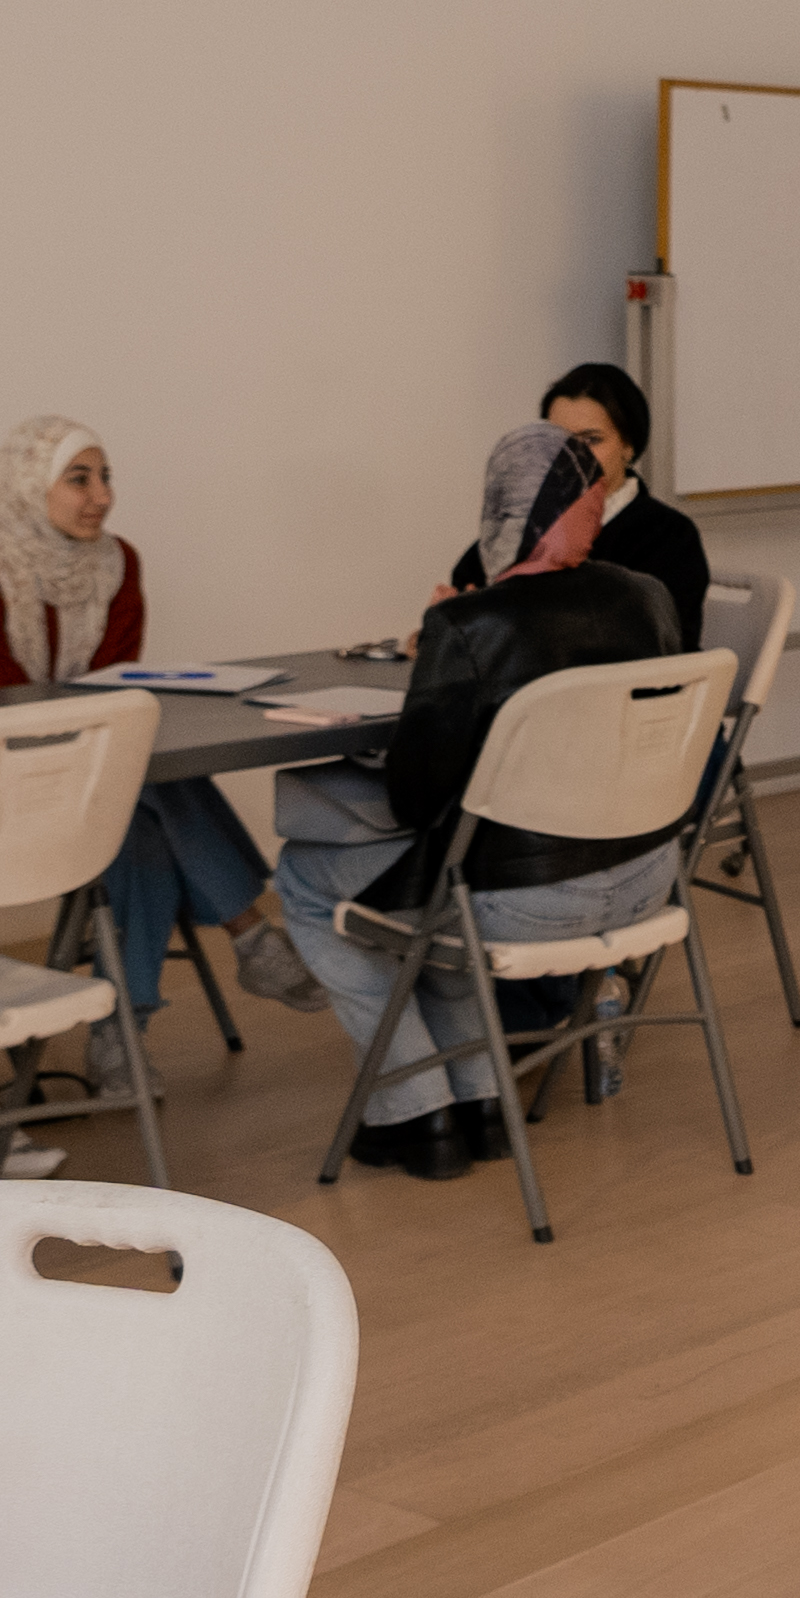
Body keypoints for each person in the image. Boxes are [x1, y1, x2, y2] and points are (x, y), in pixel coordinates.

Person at [276, 428, 694, 1180]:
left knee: (307, 880)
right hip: (645, 881)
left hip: (520, 902)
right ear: (590, 504)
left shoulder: (470, 624)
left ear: (501, 511)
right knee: (435, 896)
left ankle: (415, 1109)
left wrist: (451, 643)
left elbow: (415, 799)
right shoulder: (649, 596)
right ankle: (481, 1101)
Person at [0, 416, 311, 1044]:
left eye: (105, 478)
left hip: (91, 770)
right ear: (28, 486)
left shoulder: (116, 562)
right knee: (137, 778)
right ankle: (250, 933)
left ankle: (120, 1035)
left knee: (136, 820)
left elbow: (113, 684)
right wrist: (97, 730)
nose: (102, 497)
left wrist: (99, 731)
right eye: (79, 479)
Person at [440, 362, 711, 621]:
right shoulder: (523, 519)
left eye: (591, 440)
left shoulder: (670, 536)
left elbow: (668, 646)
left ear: (629, 445)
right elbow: (466, 583)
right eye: (558, 440)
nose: (571, 456)